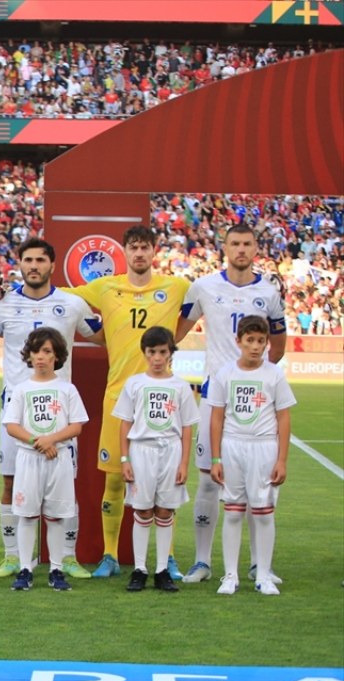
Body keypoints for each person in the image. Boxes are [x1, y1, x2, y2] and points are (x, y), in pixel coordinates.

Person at [0, 237, 104, 580]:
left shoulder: (72, 304)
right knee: (11, 483)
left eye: (41, 259)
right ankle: (13, 556)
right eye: (28, 260)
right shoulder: (4, 306)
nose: (34, 266)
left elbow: (105, 336)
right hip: (15, 413)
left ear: (51, 265)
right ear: (20, 264)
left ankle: (66, 557)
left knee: (65, 487)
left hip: (59, 416)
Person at [73, 225, 191, 579]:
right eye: (134, 248)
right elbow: (60, 295)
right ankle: (110, 555)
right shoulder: (105, 287)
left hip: (162, 398)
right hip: (118, 399)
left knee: (168, 486)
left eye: (145, 248)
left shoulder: (177, 286)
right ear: (124, 252)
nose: (139, 254)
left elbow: (203, 307)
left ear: (154, 251)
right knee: (113, 482)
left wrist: (175, 337)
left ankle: (166, 558)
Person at [175, 223, 288, 583]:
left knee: (262, 484)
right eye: (235, 243)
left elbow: (279, 344)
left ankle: (259, 565)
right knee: (209, 481)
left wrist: (262, 376)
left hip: (254, 401)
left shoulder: (269, 292)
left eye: (247, 243)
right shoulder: (204, 287)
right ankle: (204, 562)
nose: (241, 249)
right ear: (224, 247)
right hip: (213, 397)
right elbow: (177, 330)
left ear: (256, 248)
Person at [206, 315, 296, 596]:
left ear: (267, 344)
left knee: (263, 513)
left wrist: (281, 459)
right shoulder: (225, 374)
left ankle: (264, 574)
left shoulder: (274, 374)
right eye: (250, 341)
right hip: (233, 446)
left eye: (261, 341)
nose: (255, 347)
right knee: (233, 512)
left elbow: (283, 418)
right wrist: (216, 459)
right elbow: (216, 418)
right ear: (239, 342)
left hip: (264, 447)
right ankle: (230, 575)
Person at [1, 327, 89, 592]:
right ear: (29, 355)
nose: (41, 357)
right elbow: (12, 426)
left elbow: (77, 426)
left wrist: (52, 440)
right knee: (27, 515)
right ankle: (26, 568)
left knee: (57, 516)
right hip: (29, 459)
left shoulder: (67, 388)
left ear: (57, 356)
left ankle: (56, 569)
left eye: (47, 352)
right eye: (36, 351)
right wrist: (37, 442)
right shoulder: (21, 389)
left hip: (58, 459)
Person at [113, 327, 200, 592]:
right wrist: (125, 459)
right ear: (145, 353)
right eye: (152, 352)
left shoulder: (181, 386)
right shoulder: (135, 383)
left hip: (171, 452)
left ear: (170, 353)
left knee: (164, 510)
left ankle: (162, 570)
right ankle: (140, 569)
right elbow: (125, 423)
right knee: (142, 510)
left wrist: (184, 463)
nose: (158, 358)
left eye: (163, 352)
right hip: (141, 452)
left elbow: (187, 428)